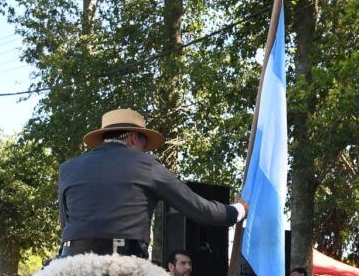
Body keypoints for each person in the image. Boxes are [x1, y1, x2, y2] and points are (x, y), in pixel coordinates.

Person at [58, 109, 245, 259]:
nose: (144, 151)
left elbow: (65, 222)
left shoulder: (67, 168)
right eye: (144, 145)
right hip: (127, 262)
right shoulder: (146, 164)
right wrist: (236, 211)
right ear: (133, 137)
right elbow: (199, 209)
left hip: (73, 262)